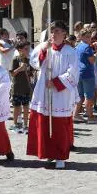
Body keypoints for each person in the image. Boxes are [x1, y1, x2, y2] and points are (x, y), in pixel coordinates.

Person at [27, 20, 79, 170]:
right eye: (52, 31)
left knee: (59, 125)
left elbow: (73, 73)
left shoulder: (70, 52)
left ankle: (60, 156)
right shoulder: (44, 47)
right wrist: (44, 51)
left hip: (60, 93)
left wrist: (57, 82)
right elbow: (34, 62)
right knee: (45, 122)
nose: (54, 34)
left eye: (57, 31)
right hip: (44, 90)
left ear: (64, 33)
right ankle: (49, 152)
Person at [10, 41, 33, 133]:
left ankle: (26, 125)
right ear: (20, 50)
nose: (28, 51)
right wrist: (20, 69)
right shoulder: (15, 59)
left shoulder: (29, 60)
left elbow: (31, 74)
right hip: (17, 88)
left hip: (26, 88)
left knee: (26, 107)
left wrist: (30, 72)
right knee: (17, 107)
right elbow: (12, 73)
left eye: (29, 49)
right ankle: (16, 124)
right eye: (26, 49)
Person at [74, 28, 96, 123]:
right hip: (87, 72)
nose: (89, 39)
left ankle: (75, 114)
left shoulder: (77, 46)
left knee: (80, 96)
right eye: (87, 37)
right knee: (89, 95)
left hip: (78, 73)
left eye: (90, 37)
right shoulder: (87, 47)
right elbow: (92, 60)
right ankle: (90, 116)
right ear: (82, 37)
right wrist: (96, 56)